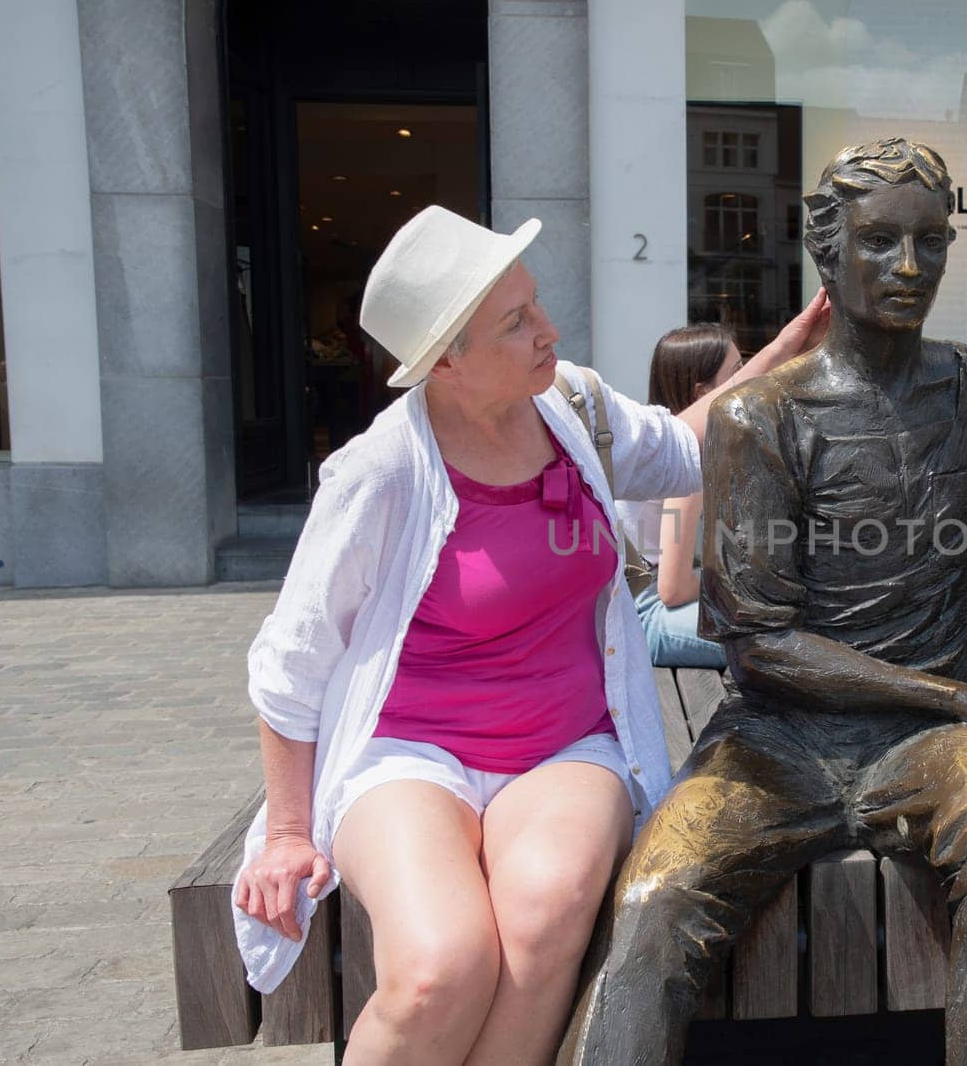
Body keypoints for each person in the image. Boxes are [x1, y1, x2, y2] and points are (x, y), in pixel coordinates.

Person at [231, 205, 827, 1065]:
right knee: (440, 966)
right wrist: (287, 830)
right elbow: (291, 660)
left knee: (547, 913)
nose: (547, 329)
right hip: (410, 752)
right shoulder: (382, 470)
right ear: (445, 362)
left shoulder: (571, 403)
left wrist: (788, 351)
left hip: (568, 744)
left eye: (535, 303)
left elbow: (683, 441)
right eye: (516, 322)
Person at [561, 138, 967, 1066]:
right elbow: (757, 645)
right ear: (826, 252)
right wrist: (955, 696)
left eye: (930, 242)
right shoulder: (762, 416)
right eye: (879, 242)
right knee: (654, 900)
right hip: (776, 737)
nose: (909, 267)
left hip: (928, 750)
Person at [615, 325, 741, 668]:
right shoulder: (689, 454)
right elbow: (673, 589)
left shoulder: (663, 440)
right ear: (703, 393)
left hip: (631, 602)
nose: (750, 383)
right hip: (646, 613)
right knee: (774, 641)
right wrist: (739, 582)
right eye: (737, 374)